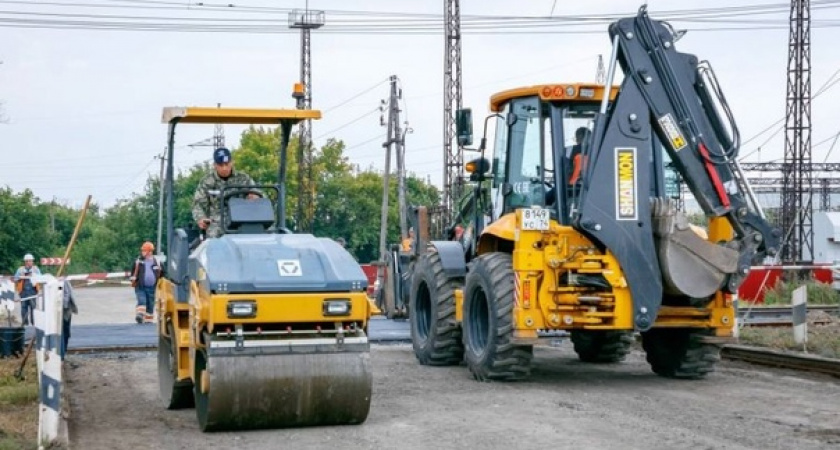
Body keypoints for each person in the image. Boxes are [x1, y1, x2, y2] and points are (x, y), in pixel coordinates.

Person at [192, 147, 261, 239]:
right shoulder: (207, 182)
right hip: (216, 223)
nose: (224, 168)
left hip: (241, 220)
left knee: (257, 236)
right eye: (220, 165)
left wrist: (255, 196)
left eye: (226, 164)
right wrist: (201, 218)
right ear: (215, 165)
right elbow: (198, 204)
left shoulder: (244, 179)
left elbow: (257, 193)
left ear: (232, 162)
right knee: (214, 239)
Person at [130, 241, 161, 324]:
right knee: (142, 301)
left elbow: (163, 273)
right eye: (142, 251)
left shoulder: (157, 262)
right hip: (140, 287)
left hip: (152, 288)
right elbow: (132, 272)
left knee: (150, 305)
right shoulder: (138, 262)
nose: (143, 252)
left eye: (144, 251)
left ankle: (148, 320)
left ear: (150, 252)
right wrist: (133, 280)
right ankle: (139, 315)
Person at [13, 254, 41, 326]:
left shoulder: (36, 269)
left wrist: (35, 276)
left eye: (31, 261)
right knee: (24, 309)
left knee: (33, 309)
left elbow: (41, 278)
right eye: (28, 261)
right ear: (25, 262)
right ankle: (25, 324)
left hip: (33, 292)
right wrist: (21, 276)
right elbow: (15, 279)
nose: (29, 262)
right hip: (23, 292)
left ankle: (34, 324)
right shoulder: (20, 270)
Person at [60, 278, 78, 360]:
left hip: (65, 311)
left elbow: (67, 295)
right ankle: (62, 352)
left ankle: (64, 350)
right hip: (61, 310)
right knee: (63, 331)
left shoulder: (64, 282)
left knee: (65, 331)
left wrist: (63, 306)